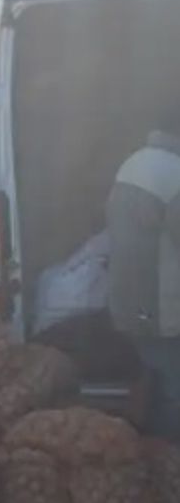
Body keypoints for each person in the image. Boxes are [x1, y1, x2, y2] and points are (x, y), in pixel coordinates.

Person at [108, 125, 180, 438]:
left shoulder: (133, 163)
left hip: (127, 298)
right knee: (173, 386)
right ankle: (167, 460)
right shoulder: (174, 175)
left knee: (150, 372)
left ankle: (137, 444)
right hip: (159, 303)